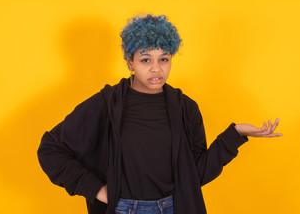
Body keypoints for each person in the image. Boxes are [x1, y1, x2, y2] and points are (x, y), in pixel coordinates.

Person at [37, 14, 283, 214]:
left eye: (163, 59)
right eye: (145, 60)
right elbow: (50, 150)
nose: (156, 69)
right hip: (124, 210)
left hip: (175, 208)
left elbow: (194, 176)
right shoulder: (106, 104)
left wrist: (235, 134)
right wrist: (98, 190)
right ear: (130, 63)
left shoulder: (185, 107)